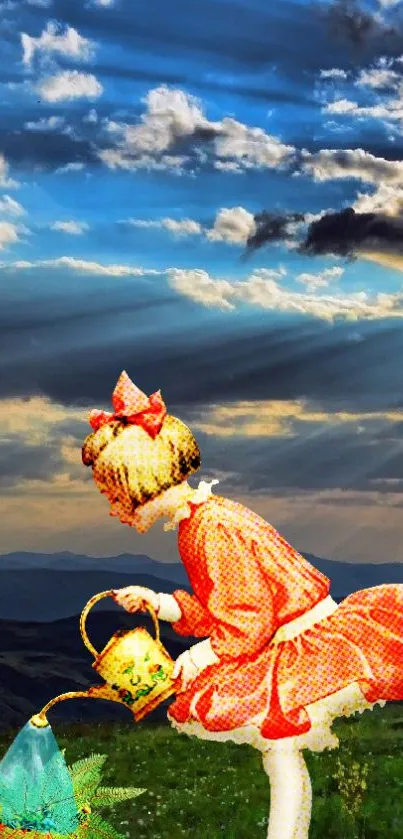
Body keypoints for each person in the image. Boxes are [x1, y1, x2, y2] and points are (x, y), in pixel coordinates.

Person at [82, 370, 402, 839]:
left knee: (280, 747)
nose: (113, 509)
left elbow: (247, 624)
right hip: (289, 634)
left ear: (140, 484)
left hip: (306, 641)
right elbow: (226, 608)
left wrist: (194, 659)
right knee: (281, 751)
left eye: (113, 496)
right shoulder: (201, 520)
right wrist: (160, 604)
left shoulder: (211, 527)